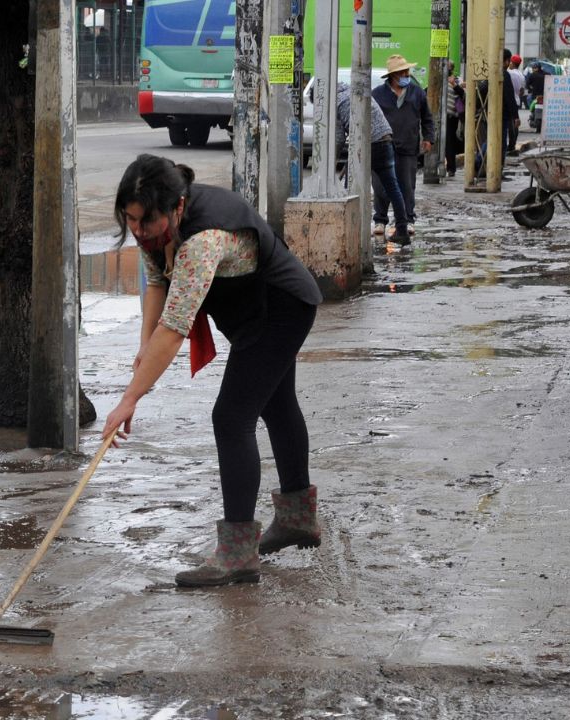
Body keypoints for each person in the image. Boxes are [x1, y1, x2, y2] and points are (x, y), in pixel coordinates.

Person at [102, 154, 323, 587]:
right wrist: (142, 347)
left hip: (281, 308)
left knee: (231, 417)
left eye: (146, 222)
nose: (139, 231)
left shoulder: (203, 238)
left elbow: (175, 327)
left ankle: (238, 554)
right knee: (276, 407)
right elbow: (158, 285)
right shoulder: (156, 228)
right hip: (254, 312)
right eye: (130, 220)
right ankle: (298, 519)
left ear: (176, 207)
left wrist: (131, 396)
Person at [336, 80, 411, 244]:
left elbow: (339, 137)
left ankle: (351, 231)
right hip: (386, 138)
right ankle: (402, 231)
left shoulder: (335, 101)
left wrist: (332, 161)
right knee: (392, 187)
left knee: (350, 187)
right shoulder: (356, 89)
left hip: (367, 143)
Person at [372, 55, 434, 236]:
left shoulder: (417, 93)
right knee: (380, 186)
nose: (406, 74)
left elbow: (427, 118)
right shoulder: (377, 94)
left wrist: (428, 138)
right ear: (393, 75)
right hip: (382, 146)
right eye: (402, 72)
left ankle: (407, 219)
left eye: (407, 71)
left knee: (407, 185)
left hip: (408, 146)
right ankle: (380, 220)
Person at [445, 69, 466, 176]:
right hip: (443, 117)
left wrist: (454, 84)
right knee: (446, 143)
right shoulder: (439, 82)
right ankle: (449, 167)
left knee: (449, 143)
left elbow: (463, 94)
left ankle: (451, 168)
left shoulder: (455, 82)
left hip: (451, 117)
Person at [507, 53, 525, 153]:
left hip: (509, 101)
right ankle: (513, 144)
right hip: (517, 101)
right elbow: (522, 91)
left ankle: (511, 146)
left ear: (512, 63)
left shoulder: (509, 73)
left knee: (510, 123)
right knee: (515, 122)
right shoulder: (521, 75)